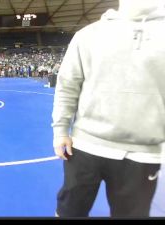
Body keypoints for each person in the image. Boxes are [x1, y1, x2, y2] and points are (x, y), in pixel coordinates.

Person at [52, 0, 165, 217]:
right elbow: (68, 85)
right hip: (84, 146)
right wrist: (60, 131)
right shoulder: (88, 35)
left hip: (143, 154)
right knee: (68, 211)